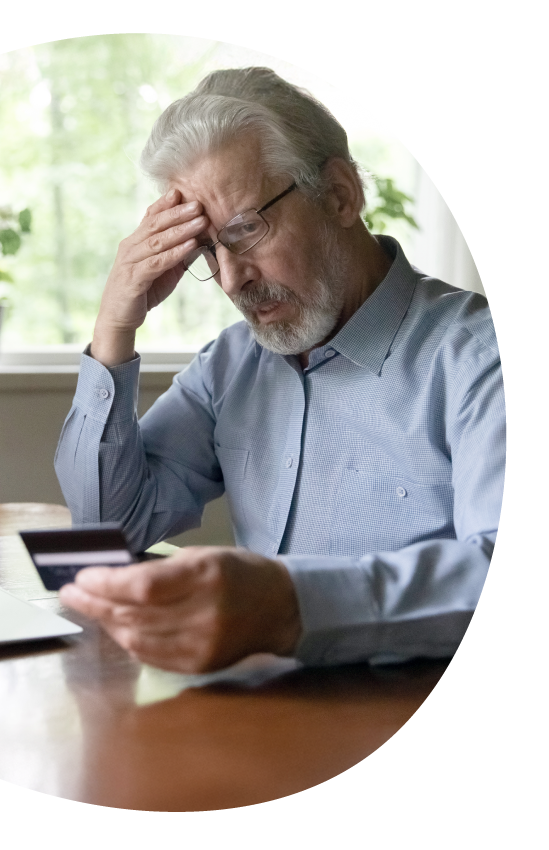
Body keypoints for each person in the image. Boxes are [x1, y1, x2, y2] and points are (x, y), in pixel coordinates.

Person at [53, 68, 503, 673]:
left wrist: (289, 605)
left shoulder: (477, 356)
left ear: (340, 195)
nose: (232, 279)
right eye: (208, 250)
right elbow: (110, 530)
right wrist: (114, 328)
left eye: (245, 231)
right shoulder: (230, 366)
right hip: (259, 721)